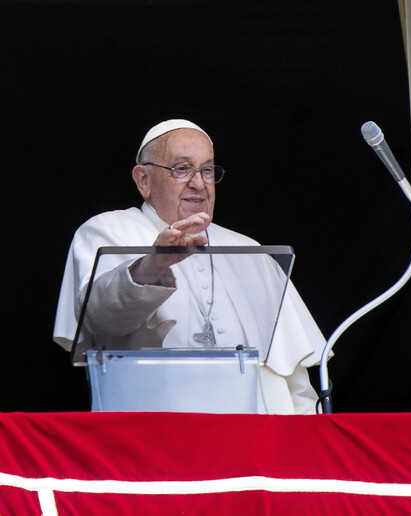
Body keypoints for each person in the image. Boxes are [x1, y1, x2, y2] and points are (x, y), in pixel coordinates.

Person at [53, 119, 326, 414]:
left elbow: (294, 377)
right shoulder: (108, 230)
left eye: (207, 170)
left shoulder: (251, 252)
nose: (198, 183)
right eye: (181, 169)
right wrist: (152, 265)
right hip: (155, 432)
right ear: (143, 180)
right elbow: (101, 317)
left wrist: (307, 435)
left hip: (254, 440)